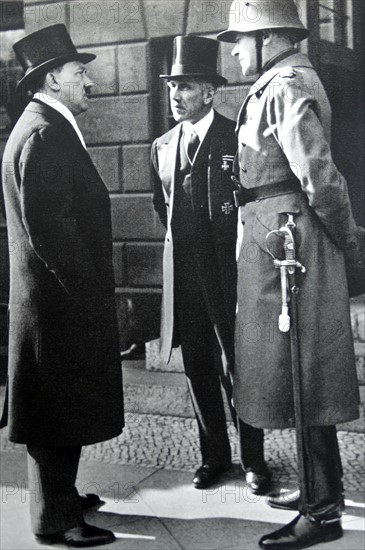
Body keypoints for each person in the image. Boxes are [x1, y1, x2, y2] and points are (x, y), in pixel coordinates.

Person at [217, 1, 360, 548]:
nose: (233, 50)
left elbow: (319, 176)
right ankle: (315, 495)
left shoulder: (285, 85)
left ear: (269, 38)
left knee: (306, 373)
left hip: (291, 248)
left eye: (240, 39)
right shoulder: (278, 82)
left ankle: (322, 512)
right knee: (291, 371)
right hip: (277, 240)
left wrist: (346, 243)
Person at [0, 24, 124, 547]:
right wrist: (93, 295)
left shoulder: (43, 124)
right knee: (54, 410)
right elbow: (53, 233)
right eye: (80, 73)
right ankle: (56, 519)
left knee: (59, 403)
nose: (89, 82)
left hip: (51, 300)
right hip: (59, 302)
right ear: (53, 80)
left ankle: (62, 495)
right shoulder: (46, 133)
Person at [151, 35, 270, 493]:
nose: (176, 96)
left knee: (240, 367)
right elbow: (161, 209)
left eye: (186, 86)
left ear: (209, 92)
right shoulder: (162, 146)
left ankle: (254, 460)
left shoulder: (234, 137)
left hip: (231, 276)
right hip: (185, 278)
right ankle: (214, 457)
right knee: (197, 365)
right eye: (171, 87)